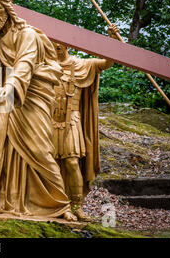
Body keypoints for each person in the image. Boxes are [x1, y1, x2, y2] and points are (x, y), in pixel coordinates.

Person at [0, 0, 76, 221]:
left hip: (30, 97)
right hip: (6, 99)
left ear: (8, 10)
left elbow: (24, 64)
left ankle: (61, 204)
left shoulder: (27, 34)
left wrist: (9, 87)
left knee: (39, 150)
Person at [52, 25, 117, 221]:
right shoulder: (45, 65)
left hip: (71, 120)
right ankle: (58, 206)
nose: (55, 46)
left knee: (72, 162)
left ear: (67, 45)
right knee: (50, 165)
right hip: (48, 121)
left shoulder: (81, 65)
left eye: (59, 43)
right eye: (52, 43)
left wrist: (112, 40)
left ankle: (77, 206)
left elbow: (107, 63)